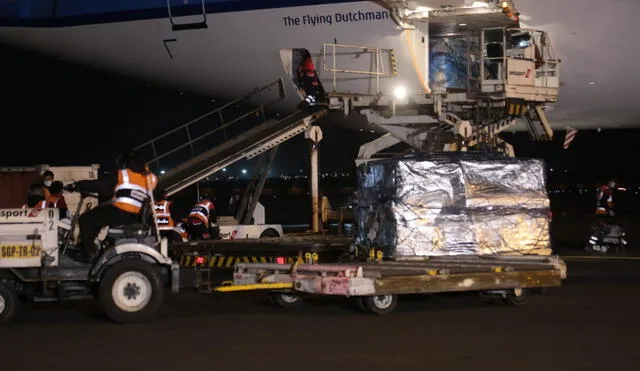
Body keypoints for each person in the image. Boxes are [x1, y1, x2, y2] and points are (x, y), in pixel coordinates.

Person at [67, 150, 158, 261]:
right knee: (98, 217)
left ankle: (89, 254)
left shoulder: (123, 174)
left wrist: (78, 185)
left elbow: (99, 185)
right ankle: (93, 248)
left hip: (121, 212)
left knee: (86, 219)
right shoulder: (150, 178)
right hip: (136, 216)